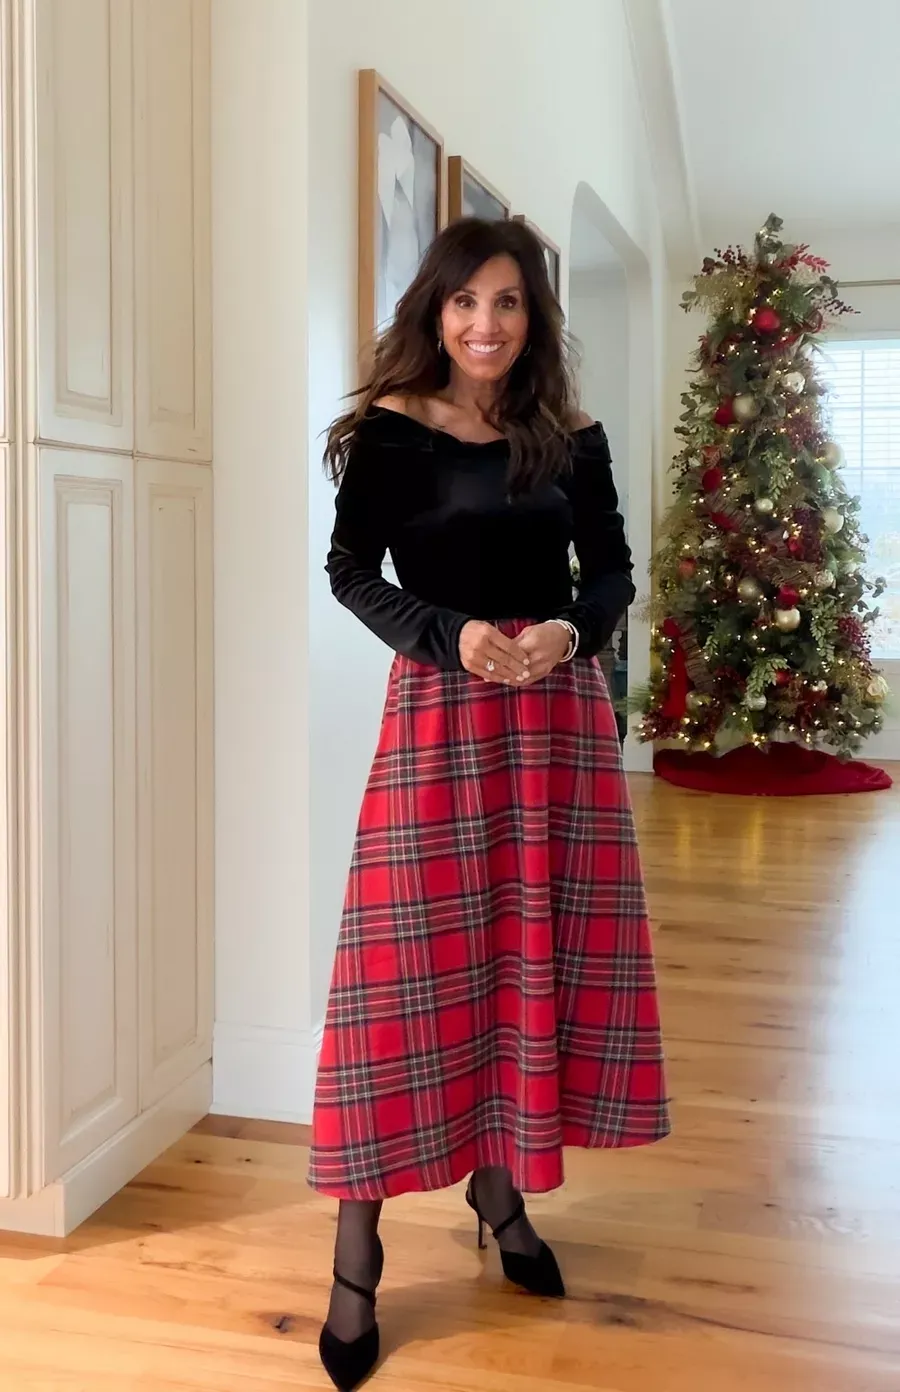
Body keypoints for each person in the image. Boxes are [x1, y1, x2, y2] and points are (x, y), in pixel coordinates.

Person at [309, 217, 669, 1391]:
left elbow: (612, 565)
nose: (485, 325)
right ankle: (356, 1253)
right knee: (403, 972)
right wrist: (448, 635)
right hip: (441, 716)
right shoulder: (392, 434)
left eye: (509, 303)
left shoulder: (568, 433)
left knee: (535, 958)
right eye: (466, 301)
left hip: (557, 720)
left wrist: (579, 629)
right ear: (434, 307)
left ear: (535, 317)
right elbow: (350, 569)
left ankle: (502, 1191)